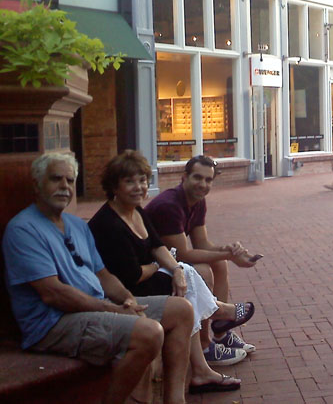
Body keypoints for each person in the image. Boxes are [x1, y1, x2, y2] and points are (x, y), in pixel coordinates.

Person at [2, 153, 193, 404]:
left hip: (94, 309)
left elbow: (103, 275)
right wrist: (112, 310)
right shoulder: (23, 230)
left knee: (182, 310)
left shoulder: (77, 225)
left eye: (70, 181)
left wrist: (127, 300)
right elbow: (54, 293)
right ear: (37, 185)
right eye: (56, 179)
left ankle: (175, 400)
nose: (64, 187)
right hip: (53, 323)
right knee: (149, 332)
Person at [89, 151, 256, 393]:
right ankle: (216, 322)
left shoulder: (137, 211)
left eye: (142, 181)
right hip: (126, 289)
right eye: (130, 181)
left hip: (146, 276)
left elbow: (160, 246)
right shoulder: (112, 222)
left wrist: (179, 267)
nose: (138, 187)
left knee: (194, 271)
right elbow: (134, 274)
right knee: (190, 283)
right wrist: (168, 266)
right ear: (114, 185)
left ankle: (207, 350)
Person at [144, 154, 259, 355]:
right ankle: (206, 346)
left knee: (219, 264)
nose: (203, 184)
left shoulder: (197, 201)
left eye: (208, 180)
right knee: (204, 271)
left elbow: (202, 243)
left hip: (170, 258)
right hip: (150, 265)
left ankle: (221, 328)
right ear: (184, 177)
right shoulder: (168, 206)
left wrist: (230, 250)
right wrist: (228, 256)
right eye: (198, 178)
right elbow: (185, 254)